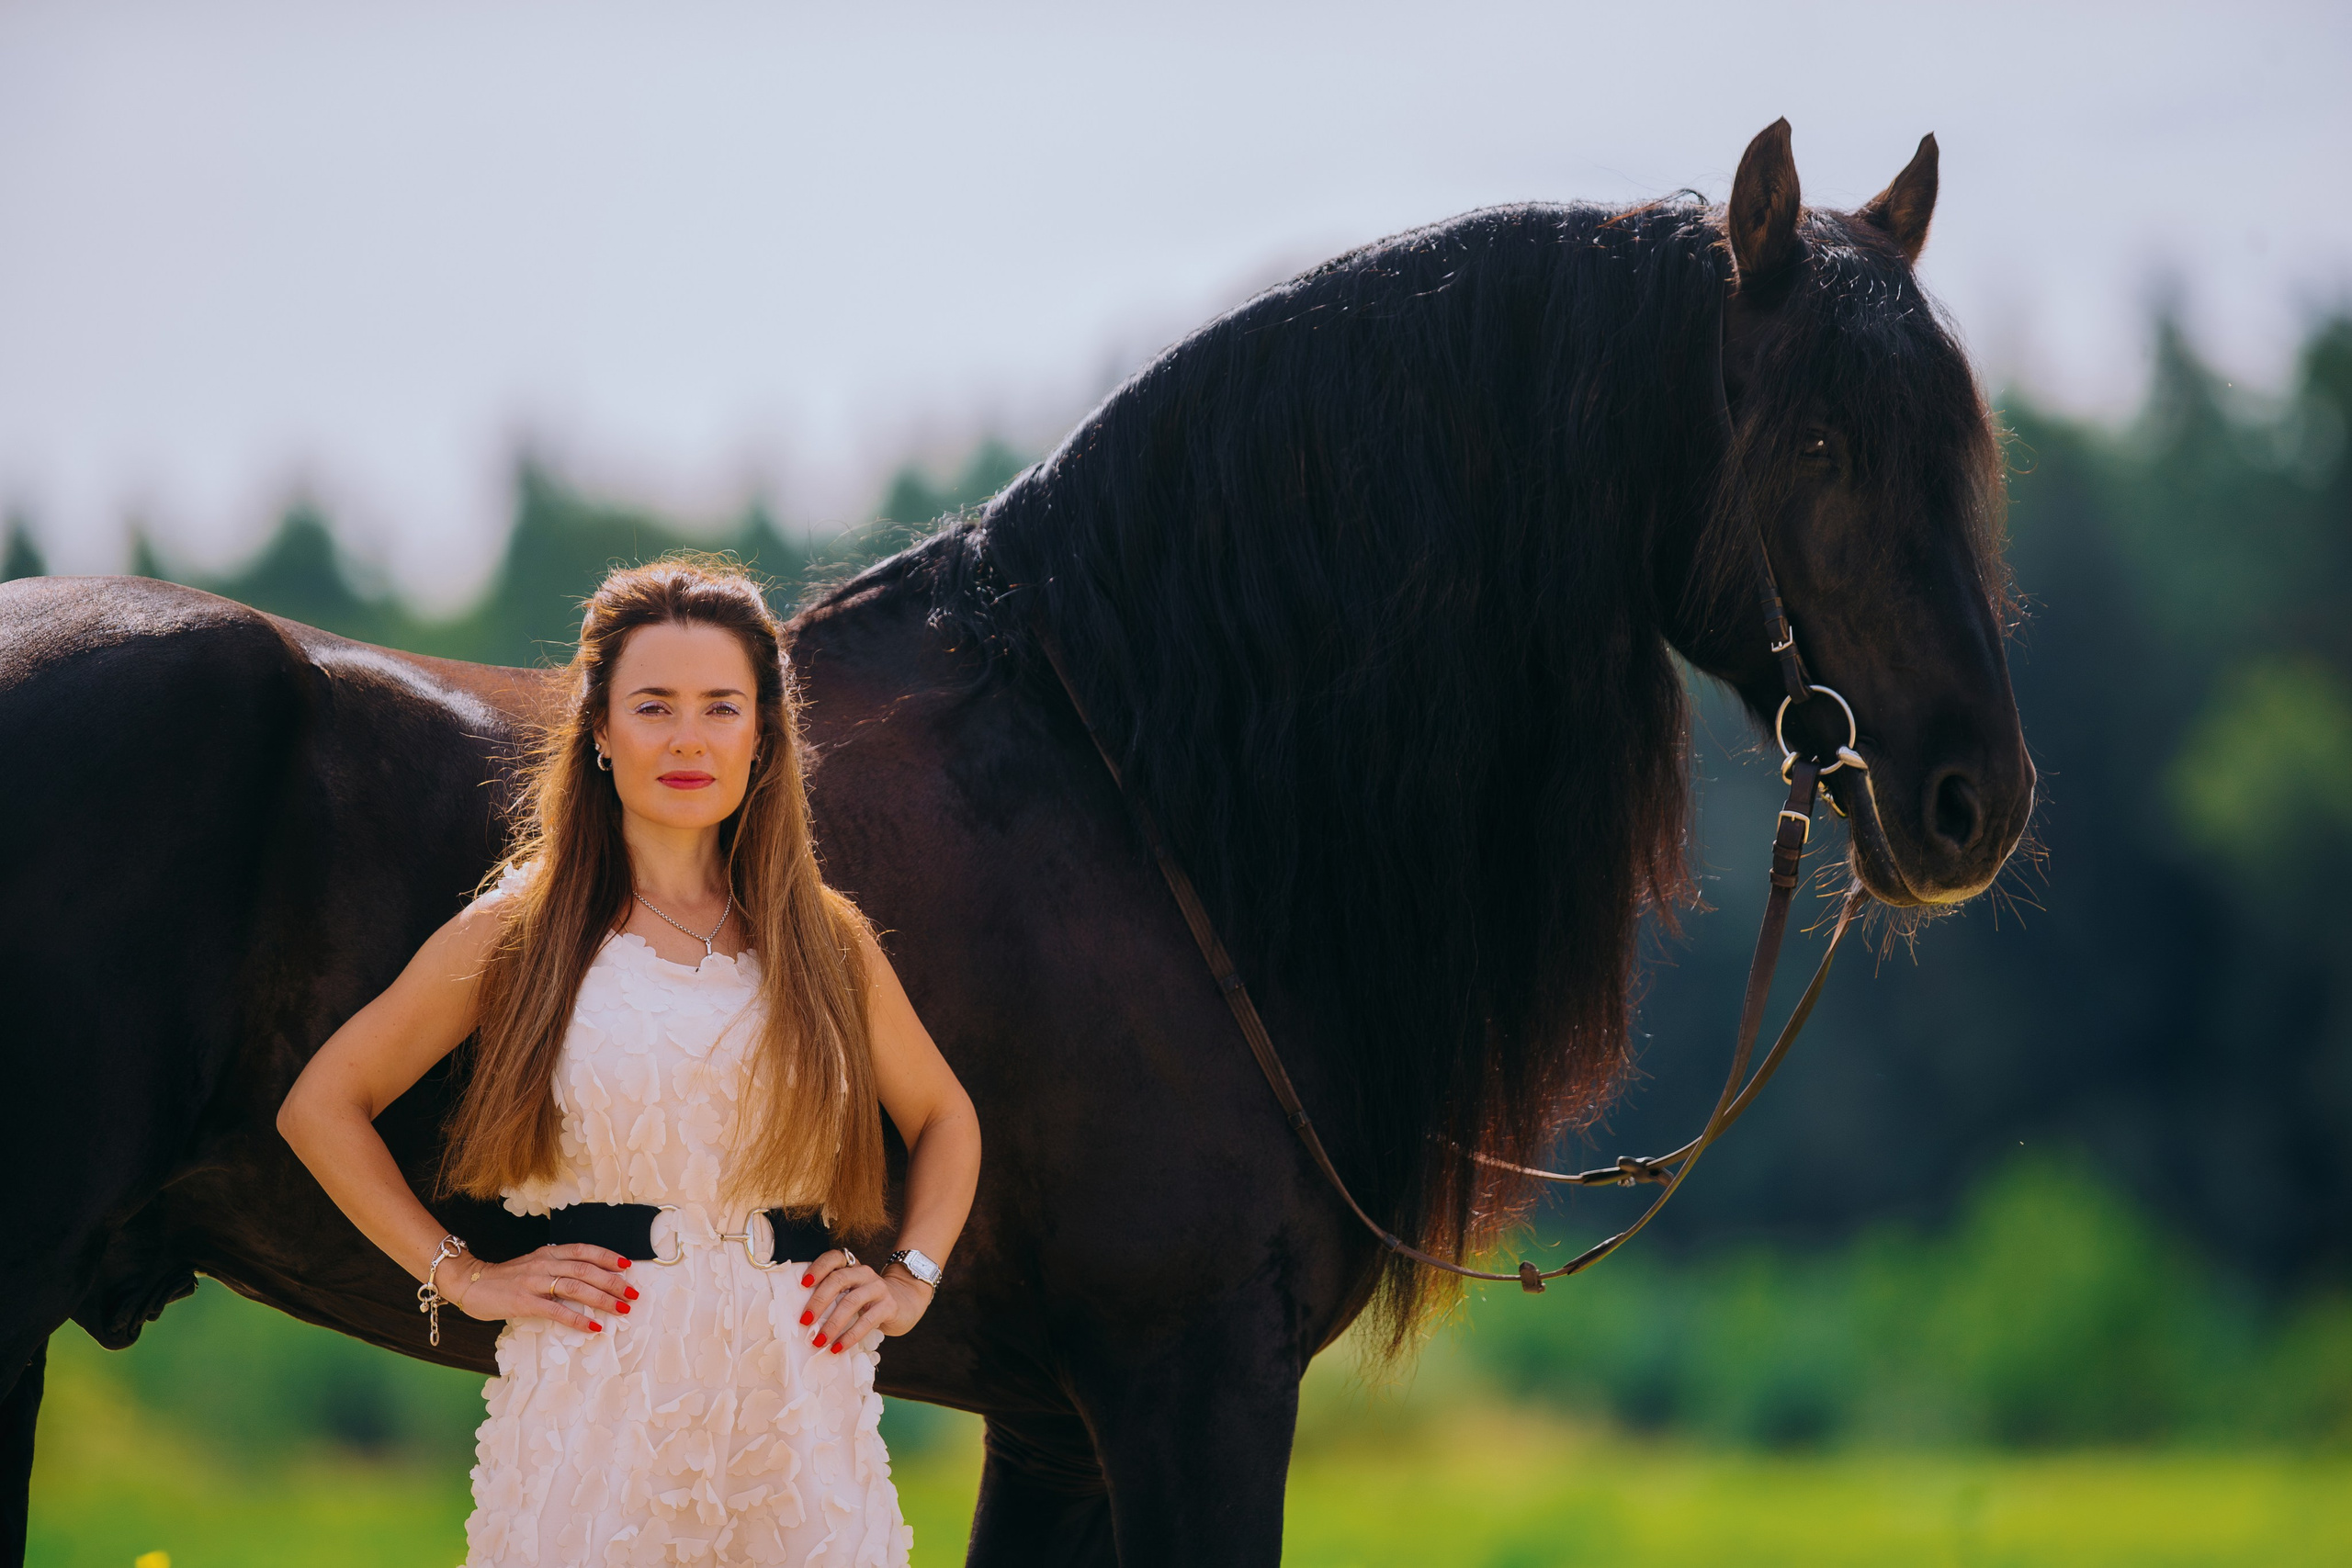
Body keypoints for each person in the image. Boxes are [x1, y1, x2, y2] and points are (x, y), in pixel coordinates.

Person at [278, 557, 979, 1566]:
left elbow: (946, 1116)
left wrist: (909, 1279)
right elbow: (322, 1104)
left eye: (720, 707)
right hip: (600, 1394)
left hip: (797, 1396)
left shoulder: (823, 938)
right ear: (601, 731)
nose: (688, 738)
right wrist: (462, 1276)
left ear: (762, 736)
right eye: (654, 707)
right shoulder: (522, 929)